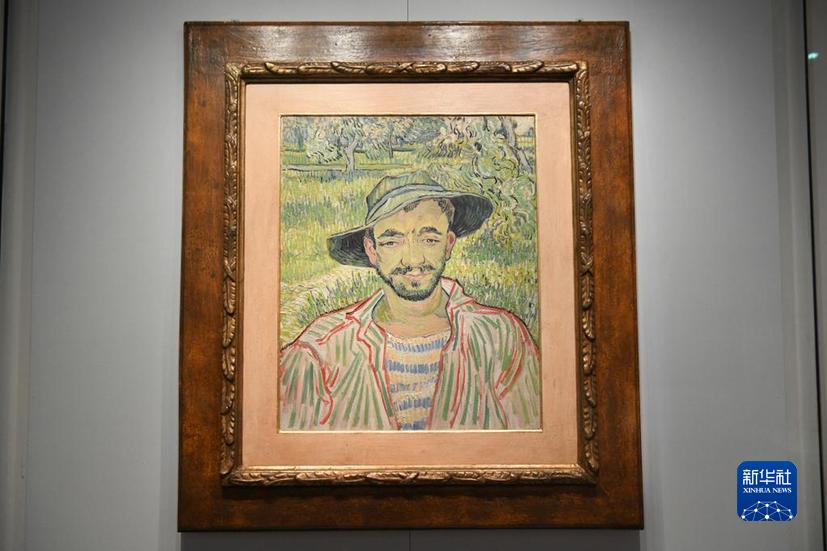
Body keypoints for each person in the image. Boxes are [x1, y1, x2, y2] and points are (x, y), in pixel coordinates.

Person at [280, 172, 540, 430]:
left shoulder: (502, 337)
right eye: (392, 242)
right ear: (372, 250)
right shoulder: (318, 352)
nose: (413, 259)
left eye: (429, 239)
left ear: (449, 244)